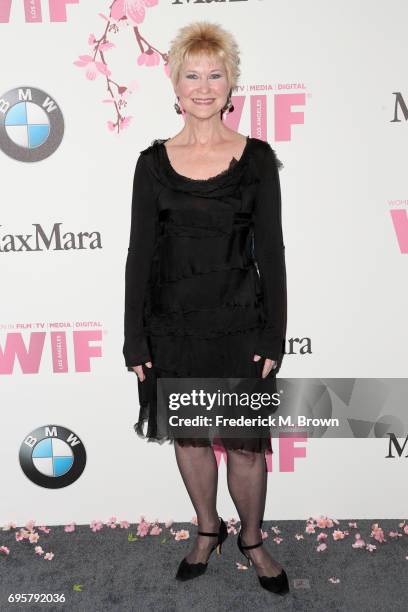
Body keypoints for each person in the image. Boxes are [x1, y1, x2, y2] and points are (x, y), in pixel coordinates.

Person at [123, 21, 289, 595]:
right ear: (175, 83)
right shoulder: (152, 164)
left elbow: (273, 254)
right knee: (191, 438)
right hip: (172, 326)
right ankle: (207, 528)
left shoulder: (258, 159)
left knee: (245, 444)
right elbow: (138, 257)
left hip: (241, 322)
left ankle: (252, 537)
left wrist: (274, 336)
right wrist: (134, 339)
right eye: (191, 74)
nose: (203, 85)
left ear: (230, 83)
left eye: (214, 74)